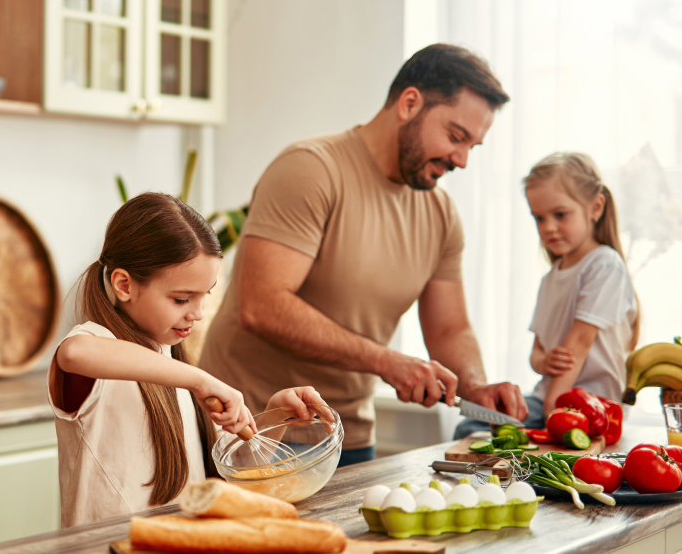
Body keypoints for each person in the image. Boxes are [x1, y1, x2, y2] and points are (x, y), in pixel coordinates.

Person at [199, 43, 528, 467]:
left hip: (347, 439)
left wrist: (475, 386)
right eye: (455, 136)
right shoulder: (311, 170)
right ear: (410, 103)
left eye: (472, 147)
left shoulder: (441, 214)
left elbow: (449, 328)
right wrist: (386, 361)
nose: (461, 160)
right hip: (251, 431)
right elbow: (262, 306)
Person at [49, 192, 327, 528]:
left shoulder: (173, 363)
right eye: (182, 299)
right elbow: (74, 353)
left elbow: (227, 477)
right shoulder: (99, 349)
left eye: (204, 295)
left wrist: (276, 416)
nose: (197, 313)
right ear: (124, 284)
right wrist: (199, 380)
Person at [456, 153, 638, 437]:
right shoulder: (550, 278)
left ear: (595, 207)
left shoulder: (604, 265)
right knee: (472, 426)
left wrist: (555, 416)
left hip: (592, 405)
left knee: (475, 431)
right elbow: (537, 351)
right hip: (548, 398)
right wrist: (544, 362)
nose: (548, 227)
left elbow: (577, 346)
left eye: (560, 215)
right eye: (539, 218)